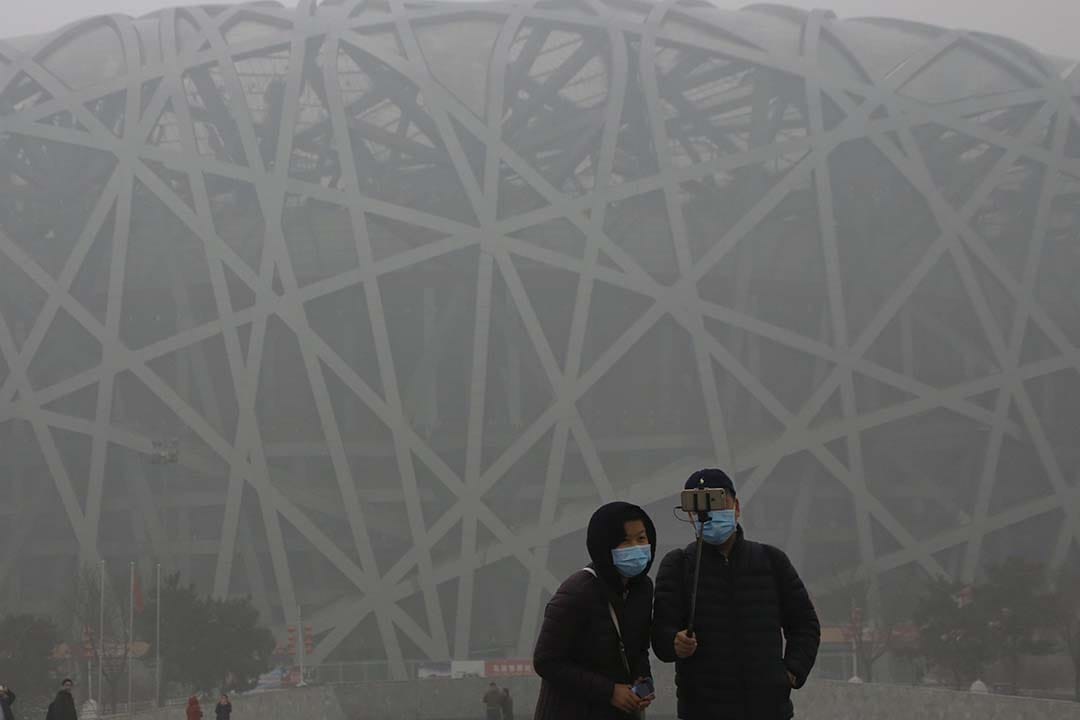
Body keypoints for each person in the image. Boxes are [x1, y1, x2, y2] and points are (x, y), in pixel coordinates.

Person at [652, 469, 821, 720]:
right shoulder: (678, 565)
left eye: (717, 502)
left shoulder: (772, 560)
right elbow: (660, 635)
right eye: (700, 508)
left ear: (737, 507)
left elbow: (805, 624)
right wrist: (674, 642)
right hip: (703, 711)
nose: (709, 514)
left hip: (769, 710)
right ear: (690, 516)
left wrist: (791, 673)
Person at [533, 501, 657, 720]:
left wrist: (642, 680)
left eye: (641, 538)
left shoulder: (642, 588)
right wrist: (609, 692)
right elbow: (546, 661)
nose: (636, 548)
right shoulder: (577, 592)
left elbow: (638, 648)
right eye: (625, 541)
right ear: (604, 545)